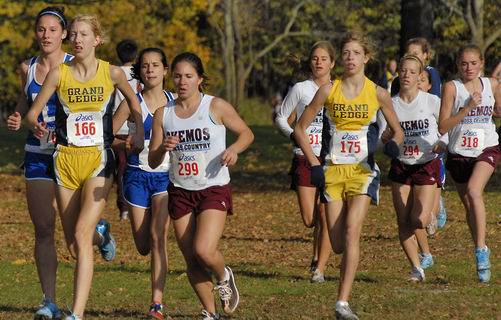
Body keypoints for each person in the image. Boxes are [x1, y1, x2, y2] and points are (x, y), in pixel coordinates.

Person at [23, 14, 144, 320]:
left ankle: (75, 314)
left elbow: (134, 101)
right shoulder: (58, 74)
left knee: (80, 230)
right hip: (65, 160)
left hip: (98, 160)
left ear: (97, 39)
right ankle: (101, 236)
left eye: (84, 34)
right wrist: (35, 124)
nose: (77, 39)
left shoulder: (112, 72)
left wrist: (137, 130)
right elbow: (32, 112)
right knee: (74, 242)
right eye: (74, 34)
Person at [294, 31, 404, 320]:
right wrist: (314, 164)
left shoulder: (378, 92)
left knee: (353, 232)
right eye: (345, 53)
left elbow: (399, 130)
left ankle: (342, 302)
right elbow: (299, 129)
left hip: (363, 173)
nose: (350, 58)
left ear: (366, 58)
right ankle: (338, 283)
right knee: (339, 243)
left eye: (356, 53)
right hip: (332, 172)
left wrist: (393, 144)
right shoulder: (328, 90)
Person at [149, 52, 254, 320]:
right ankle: (210, 312)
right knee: (191, 259)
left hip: (213, 187)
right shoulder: (164, 113)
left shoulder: (215, 106)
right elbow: (152, 159)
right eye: (177, 76)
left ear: (199, 79)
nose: (182, 81)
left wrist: (234, 150)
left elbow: (246, 134)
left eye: (188, 76)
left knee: (204, 250)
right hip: (181, 190)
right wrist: (163, 147)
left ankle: (223, 275)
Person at [6, 7, 72, 319]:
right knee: (44, 228)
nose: (46, 35)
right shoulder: (27, 67)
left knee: (76, 233)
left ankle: (100, 232)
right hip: (37, 154)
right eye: (41, 29)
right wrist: (20, 114)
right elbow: (25, 98)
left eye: (52, 30)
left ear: (64, 34)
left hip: (72, 156)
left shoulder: (77, 66)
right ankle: (49, 301)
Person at [113, 47, 175, 320]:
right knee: (142, 245)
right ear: (140, 70)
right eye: (145, 65)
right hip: (137, 176)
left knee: (157, 237)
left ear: (165, 70)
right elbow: (108, 135)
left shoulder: (176, 102)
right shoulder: (131, 102)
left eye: (156, 65)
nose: (150, 69)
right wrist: (126, 142)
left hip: (167, 178)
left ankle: (156, 304)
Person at [439, 44, 501, 283]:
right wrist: (466, 109)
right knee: (469, 206)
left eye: (474, 63)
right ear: (458, 65)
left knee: (475, 192)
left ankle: (481, 250)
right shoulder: (452, 88)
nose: (469, 68)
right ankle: (480, 244)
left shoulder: (492, 85)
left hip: (486, 147)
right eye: (464, 64)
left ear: (482, 63)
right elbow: (443, 126)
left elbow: (497, 109)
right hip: (459, 153)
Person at [274, 41, 334, 283]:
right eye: (315, 58)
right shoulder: (301, 89)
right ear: (310, 62)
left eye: (324, 58)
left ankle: (320, 266)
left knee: (325, 211)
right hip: (304, 157)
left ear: (332, 63)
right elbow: (281, 117)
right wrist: (294, 135)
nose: (319, 62)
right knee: (310, 219)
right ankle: (316, 256)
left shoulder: (338, 89)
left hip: (331, 157)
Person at [383, 55, 446, 282]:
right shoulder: (391, 104)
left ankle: (431, 212)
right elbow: (383, 137)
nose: (407, 75)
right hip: (401, 165)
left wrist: (443, 142)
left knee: (418, 220)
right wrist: (386, 138)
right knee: (403, 220)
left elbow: (447, 126)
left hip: (426, 163)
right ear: (399, 73)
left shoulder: (431, 101)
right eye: (403, 71)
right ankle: (416, 268)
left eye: (412, 72)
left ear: (420, 76)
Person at [112, 39, 142, 221]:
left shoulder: (113, 73)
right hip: (134, 127)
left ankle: (124, 207)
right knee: (131, 167)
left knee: (120, 168)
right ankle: (131, 204)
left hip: (117, 127)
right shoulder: (141, 73)